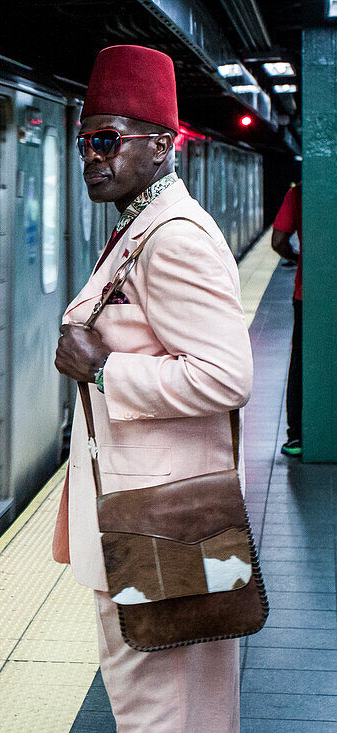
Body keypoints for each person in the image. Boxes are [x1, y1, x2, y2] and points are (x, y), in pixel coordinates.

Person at [53, 45, 253, 732]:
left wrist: (104, 368)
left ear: (162, 145)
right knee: (191, 703)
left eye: (107, 140)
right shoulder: (142, 227)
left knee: (153, 707)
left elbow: (227, 374)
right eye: (83, 143)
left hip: (157, 517)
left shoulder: (173, 239)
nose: (91, 158)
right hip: (169, 510)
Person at [270, 183, 302, 456]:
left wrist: (299, 258)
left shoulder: (298, 192)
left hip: (308, 292)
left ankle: (297, 437)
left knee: (301, 362)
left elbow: (278, 242)